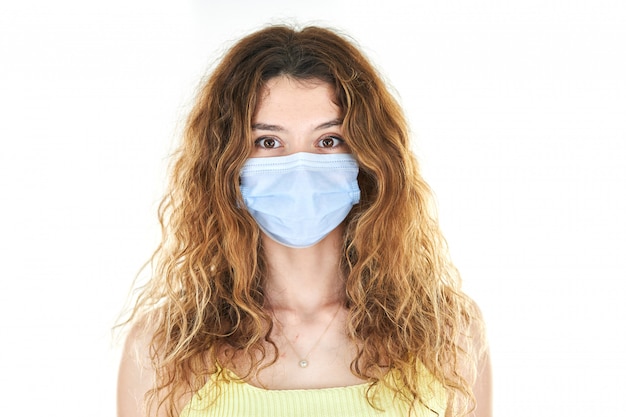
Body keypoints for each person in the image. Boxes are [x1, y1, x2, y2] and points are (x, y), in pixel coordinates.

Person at [117, 24, 492, 417]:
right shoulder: (164, 346)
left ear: (370, 159)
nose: (299, 168)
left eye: (328, 141)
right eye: (268, 142)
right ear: (225, 166)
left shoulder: (448, 335)